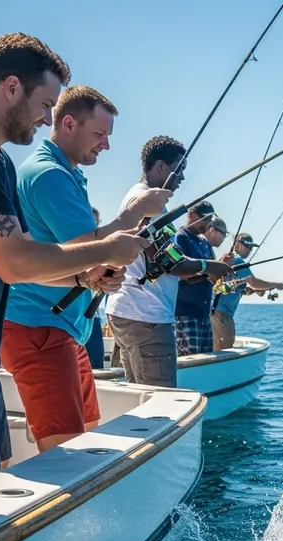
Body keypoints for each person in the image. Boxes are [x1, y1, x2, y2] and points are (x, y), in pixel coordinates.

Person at [0, 33, 145, 489]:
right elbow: (15, 261)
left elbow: (18, 257)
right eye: (45, 104)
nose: (47, 118)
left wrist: (85, 277)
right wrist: (108, 248)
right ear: (12, 87)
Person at [0, 85, 171, 453]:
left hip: (64, 328)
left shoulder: (66, 172)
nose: (105, 146)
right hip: (39, 329)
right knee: (65, 451)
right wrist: (134, 214)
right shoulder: (48, 174)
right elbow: (86, 247)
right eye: (99, 134)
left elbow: (84, 252)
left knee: (89, 434)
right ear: (68, 123)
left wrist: (96, 274)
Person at [106, 141, 234, 384]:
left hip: (128, 310)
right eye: (180, 169)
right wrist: (209, 267)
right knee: (159, 403)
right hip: (146, 316)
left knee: (138, 398)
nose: (183, 177)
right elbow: (168, 262)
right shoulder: (148, 203)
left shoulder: (135, 196)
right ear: (161, 166)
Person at [173, 201, 236, 356]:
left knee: (205, 359)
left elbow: (210, 275)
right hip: (184, 312)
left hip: (204, 314)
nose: (207, 224)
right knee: (190, 360)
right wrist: (210, 269)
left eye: (210, 220)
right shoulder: (180, 238)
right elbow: (177, 271)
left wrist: (220, 268)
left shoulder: (204, 243)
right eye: (205, 219)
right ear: (191, 215)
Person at [210, 232, 283, 350]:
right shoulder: (238, 260)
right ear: (238, 244)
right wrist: (276, 285)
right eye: (248, 246)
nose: (250, 250)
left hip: (215, 313)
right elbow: (254, 282)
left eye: (252, 248)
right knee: (224, 351)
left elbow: (232, 285)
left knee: (219, 348)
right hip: (222, 314)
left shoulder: (230, 260)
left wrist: (253, 291)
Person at [86, 206, 108, 369]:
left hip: (93, 317)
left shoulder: (101, 249)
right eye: (90, 221)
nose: (94, 226)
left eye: (96, 222)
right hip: (72, 318)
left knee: (96, 364)